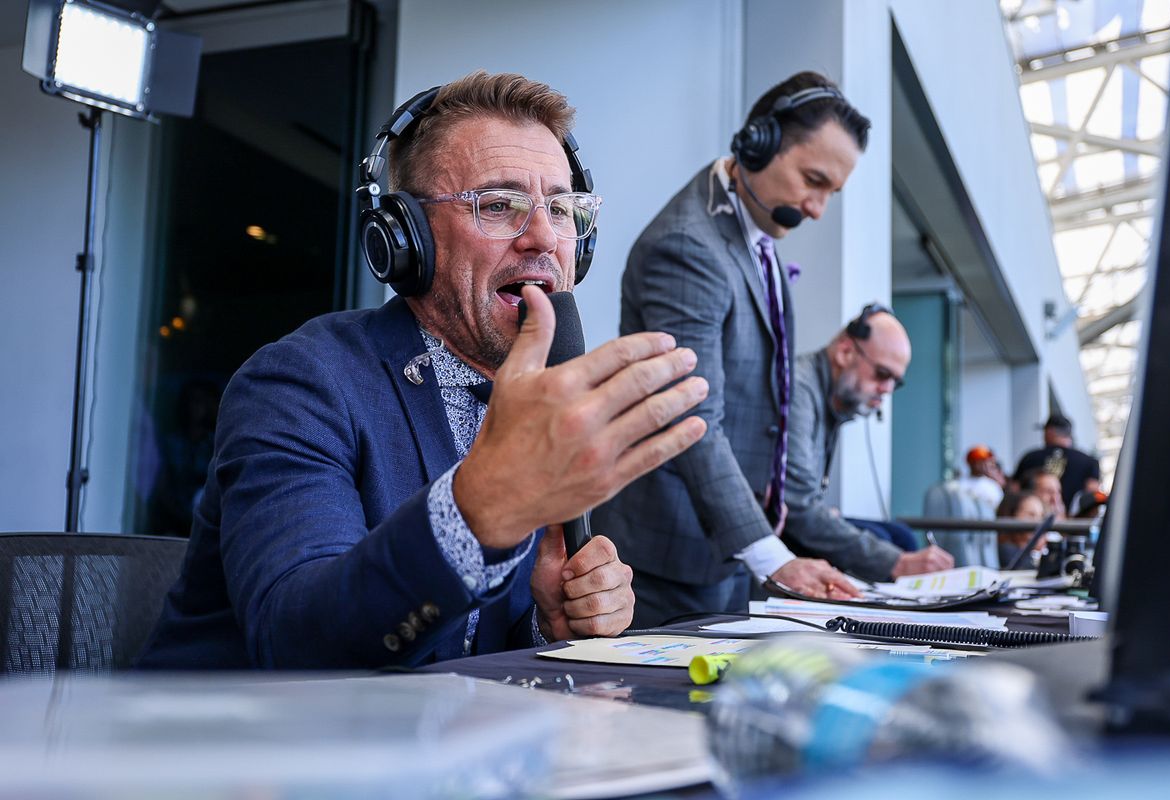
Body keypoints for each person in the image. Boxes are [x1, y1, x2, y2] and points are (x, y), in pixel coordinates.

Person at [137, 72, 710, 669]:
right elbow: (295, 642)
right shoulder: (297, 383)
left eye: (562, 208)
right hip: (235, 751)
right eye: (499, 205)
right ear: (406, 239)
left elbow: (459, 650)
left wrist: (546, 621)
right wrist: (483, 510)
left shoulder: (533, 405)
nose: (543, 236)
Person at [595, 71, 879, 628]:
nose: (818, 208)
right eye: (812, 180)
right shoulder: (687, 245)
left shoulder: (756, 234)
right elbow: (694, 415)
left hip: (724, 549)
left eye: (832, 192)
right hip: (667, 559)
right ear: (759, 143)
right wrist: (775, 557)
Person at [782, 307, 954, 578]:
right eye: (882, 374)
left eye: (894, 382)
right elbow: (798, 507)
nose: (886, 390)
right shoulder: (799, 390)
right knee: (896, 543)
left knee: (899, 535)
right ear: (845, 352)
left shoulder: (830, 401)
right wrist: (896, 563)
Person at [1014, 413, 1101, 510]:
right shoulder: (1088, 461)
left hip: (1034, 520)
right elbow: (1092, 494)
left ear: (1049, 432)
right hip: (1075, 523)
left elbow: (1015, 491)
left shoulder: (1030, 458)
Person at [995, 490, 1047, 570]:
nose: (1038, 522)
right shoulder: (1006, 550)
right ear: (1012, 515)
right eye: (1031, 515)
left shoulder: (1031, 553)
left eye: (1041, 516)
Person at [960, 444, 1005, 510]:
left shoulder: (992, 486)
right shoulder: (960, 484)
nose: (983, 465)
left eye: (985, 462)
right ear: (971, 463)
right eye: (979, 462)